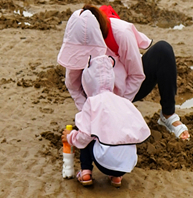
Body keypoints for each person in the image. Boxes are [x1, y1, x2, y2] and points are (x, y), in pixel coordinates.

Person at [58, 6, 190, 142]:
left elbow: (136, 75)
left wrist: (119, 109)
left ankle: (168, 116)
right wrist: (90, 114)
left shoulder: (121, 33)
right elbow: (73, 86)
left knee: (163, 50)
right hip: (95, 96)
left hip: (125, 88)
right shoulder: (77, 41)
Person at [62, 54, 151, 188]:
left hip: (104, 161)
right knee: (118, 133)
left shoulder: (92, 102)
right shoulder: (122, 101)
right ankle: (117, 176)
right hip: (128, 163)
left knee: (86, 132)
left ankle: (86, 172)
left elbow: (84, 135)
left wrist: (70, 137)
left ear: (87, 80)